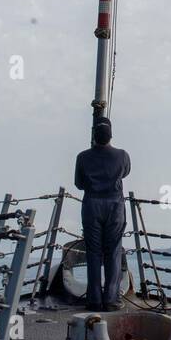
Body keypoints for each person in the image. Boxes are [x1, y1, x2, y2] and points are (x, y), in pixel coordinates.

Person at [74, 118, 131, 311]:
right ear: (111, 135)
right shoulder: (122, 155)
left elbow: (79, 184)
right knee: (113, 252)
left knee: (93, 252)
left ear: (93, 136)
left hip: (91, 205)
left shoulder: (82, 157)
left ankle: (94, 300)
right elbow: (125, 173)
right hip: (115, 205)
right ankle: (111, 299)